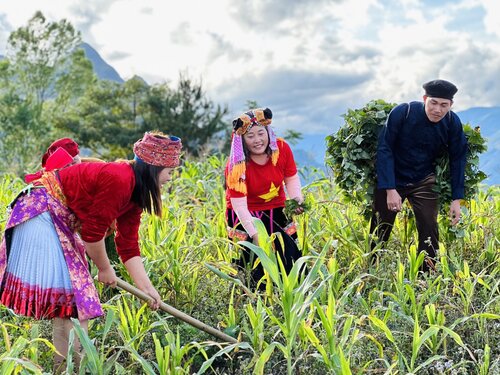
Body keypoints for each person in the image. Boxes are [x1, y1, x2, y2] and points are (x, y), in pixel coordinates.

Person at [0, 131, 182, 372]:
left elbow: (128, 246)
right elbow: (92, 235)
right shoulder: (120, 179)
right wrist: (105, 269)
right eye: (169, 171)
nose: (170, 178)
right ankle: (79, 368)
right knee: (76, 300)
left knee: (69, 304)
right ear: (153, 168)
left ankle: (63, 369)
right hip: (41, 211)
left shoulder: (134, 194)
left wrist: (148, 289)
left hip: (53, 217)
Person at [370, 79, 467, 271]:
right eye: (433, 102)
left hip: (424, 179)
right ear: (424, 99)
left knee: (429, 227)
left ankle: (427, 275)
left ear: (450, 105)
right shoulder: (403, 112)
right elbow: (385, 148)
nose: (437, 109)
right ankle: (372, 270)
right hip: (394, 177)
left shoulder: (452, 122)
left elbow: (458, 159)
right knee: (381, 226)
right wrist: (390, 189)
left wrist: (457, 199)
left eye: (443, 105)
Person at [225, 107, 304, 289]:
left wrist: (295, 200)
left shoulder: (282, 149)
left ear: (268, 132)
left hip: (277, 209)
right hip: (244, 214)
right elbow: (239, 205)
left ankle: (292, 295)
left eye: (261, 133)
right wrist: (255, 234)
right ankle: (252, 302)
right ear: (242, 141)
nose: (257, 140)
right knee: (250, 265)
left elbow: (291, 177)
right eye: (250, 136)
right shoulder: (236, 164)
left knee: (289, 258)